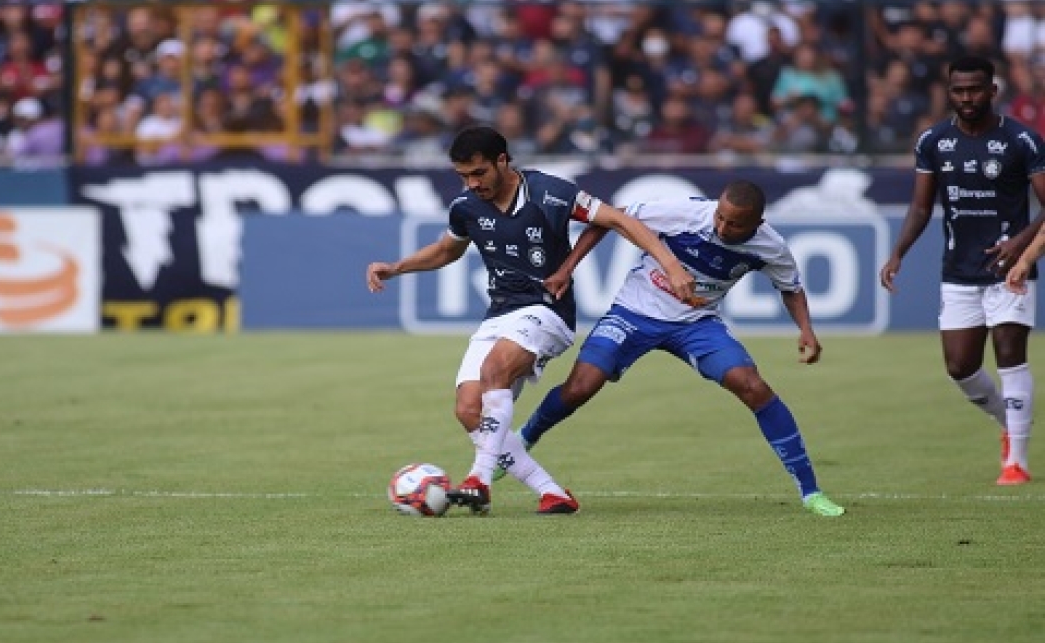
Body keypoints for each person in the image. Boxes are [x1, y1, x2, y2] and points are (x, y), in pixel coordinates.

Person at [366, 125, 694, 515]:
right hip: (499, 313)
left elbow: (619, 219)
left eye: (479, 173)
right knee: (469, 409)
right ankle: (552, 492)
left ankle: (478, 481)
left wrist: (671, 265)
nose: (472, 184)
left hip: (547, 311)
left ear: (502, 161)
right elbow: (445, 251)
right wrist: (396, 267)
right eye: (463, 176)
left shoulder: (550, 193)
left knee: (495, 370)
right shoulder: (466, 207)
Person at [498, 180, 848, 518]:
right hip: (633, 313)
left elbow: (790, 286)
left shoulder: (771, 246)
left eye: (735, 224)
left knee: (753, 386)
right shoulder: (684, 213)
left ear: (758, 222)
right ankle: (524, 440)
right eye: (720, 218)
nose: (723, 228)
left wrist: (806, 330)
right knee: (580, 387)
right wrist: (566, 269)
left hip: (696, 324)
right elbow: (609, 217)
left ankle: (811, 492)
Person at [880, 55, 1045, 487]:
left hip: (1010, 269)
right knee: (960, 368)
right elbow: (921, 206)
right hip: (958, 271)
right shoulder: (933, 141)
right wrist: (898, 252)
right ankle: (1007, 424)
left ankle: (1018, 462)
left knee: (1010, 353)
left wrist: (1020, 246)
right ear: (949, 92)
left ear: (993, 91)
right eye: (959, 90)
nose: (967, 97)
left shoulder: (1022, 141)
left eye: (975, 89)